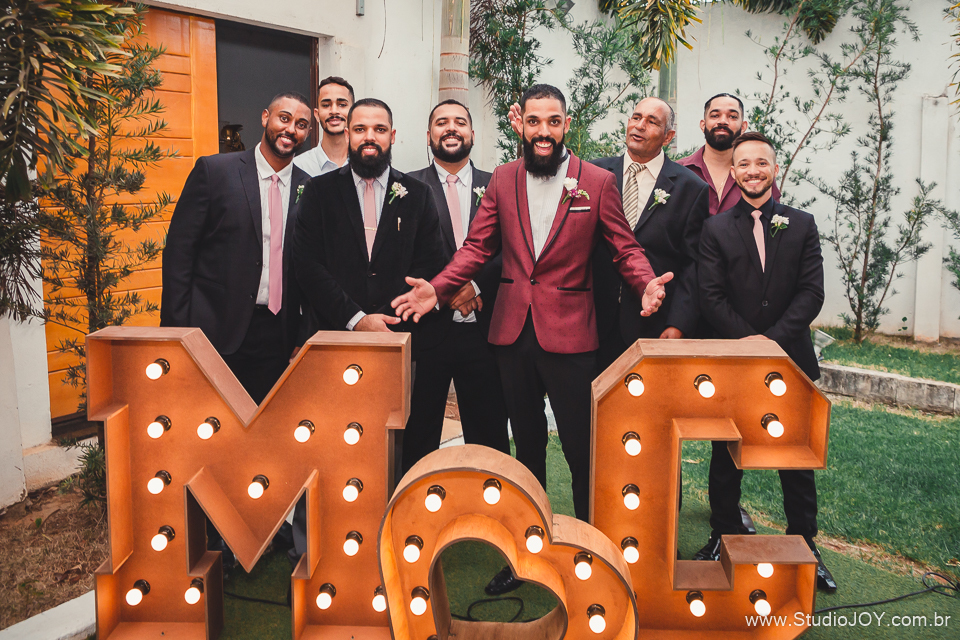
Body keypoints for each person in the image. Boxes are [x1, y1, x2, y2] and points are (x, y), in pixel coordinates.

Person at [392, 85, 672, 595]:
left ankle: (591, 554)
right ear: (520, 123)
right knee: (525, 451)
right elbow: (477, 247)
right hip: (512, 334)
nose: (544, 132)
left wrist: (645, 282)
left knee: (581, 450)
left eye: (554, 122)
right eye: (535, 122)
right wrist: (438, 287)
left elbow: (623, 246)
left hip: (572, 335)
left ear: (567, 124)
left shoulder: (597, 182)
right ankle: (525, 553)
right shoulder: (502, 179)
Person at [696, 131, 836, 592]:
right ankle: (721, 534)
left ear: (775, 169)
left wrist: (771, 342)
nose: (753, 171)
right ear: (733, 172)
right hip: (735, 361)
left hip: (790, 361)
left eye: (762, 163)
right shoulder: (715, 228)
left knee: (795, 459)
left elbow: (811, 292)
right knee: (725, 454)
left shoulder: (802, 223)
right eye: (744, 164)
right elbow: (710, 296)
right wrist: (747, 342)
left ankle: (806, 545)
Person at [161, 92, 312, 404]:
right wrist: (176, 332)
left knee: (267, 423)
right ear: (265, 117)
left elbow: (313, 268)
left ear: (308, 133)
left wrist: (305, 334)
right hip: (215, 328)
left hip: (279, 336)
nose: (290, 129)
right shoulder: (215, 171)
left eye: (301, 124)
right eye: (284, 118)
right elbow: (179, 254)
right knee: (210, 420)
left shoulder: (310, 188)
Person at [402, 100, 509, 472]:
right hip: (428, 332)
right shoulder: (407, 186)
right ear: (428, 135)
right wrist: (445, 291)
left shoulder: (499, 184)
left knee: (490, 435)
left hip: (485, 330)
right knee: (418, 433)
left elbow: (513, 246)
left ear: (472, 134)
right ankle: (412, 500)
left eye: (460, 122)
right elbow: (403, 253)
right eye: (442, 122)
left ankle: (492, 497)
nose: (451, 128)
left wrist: (475, 285)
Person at [591, 97, 709, 370]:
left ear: (668, 137)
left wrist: (678, 323)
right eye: (636, 117)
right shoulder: (594, 172)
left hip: (652, 323)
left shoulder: (691, 188)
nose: (640, 125)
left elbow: (693, 265)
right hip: (592, 320)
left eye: (652, 121)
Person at [678, 92, 780, 216]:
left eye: (732, 116)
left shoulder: (758, 175)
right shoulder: (680, 171)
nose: (723, 121)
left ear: (743, 126)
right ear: (703, 125)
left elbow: (772, 219)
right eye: (715, 115)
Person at [294, 76, 353, 177]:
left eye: (342, 105)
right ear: (317, 114)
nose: (334, 111)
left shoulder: (366, 164)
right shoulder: (298, 166)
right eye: (326, 105)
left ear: (353, 112)